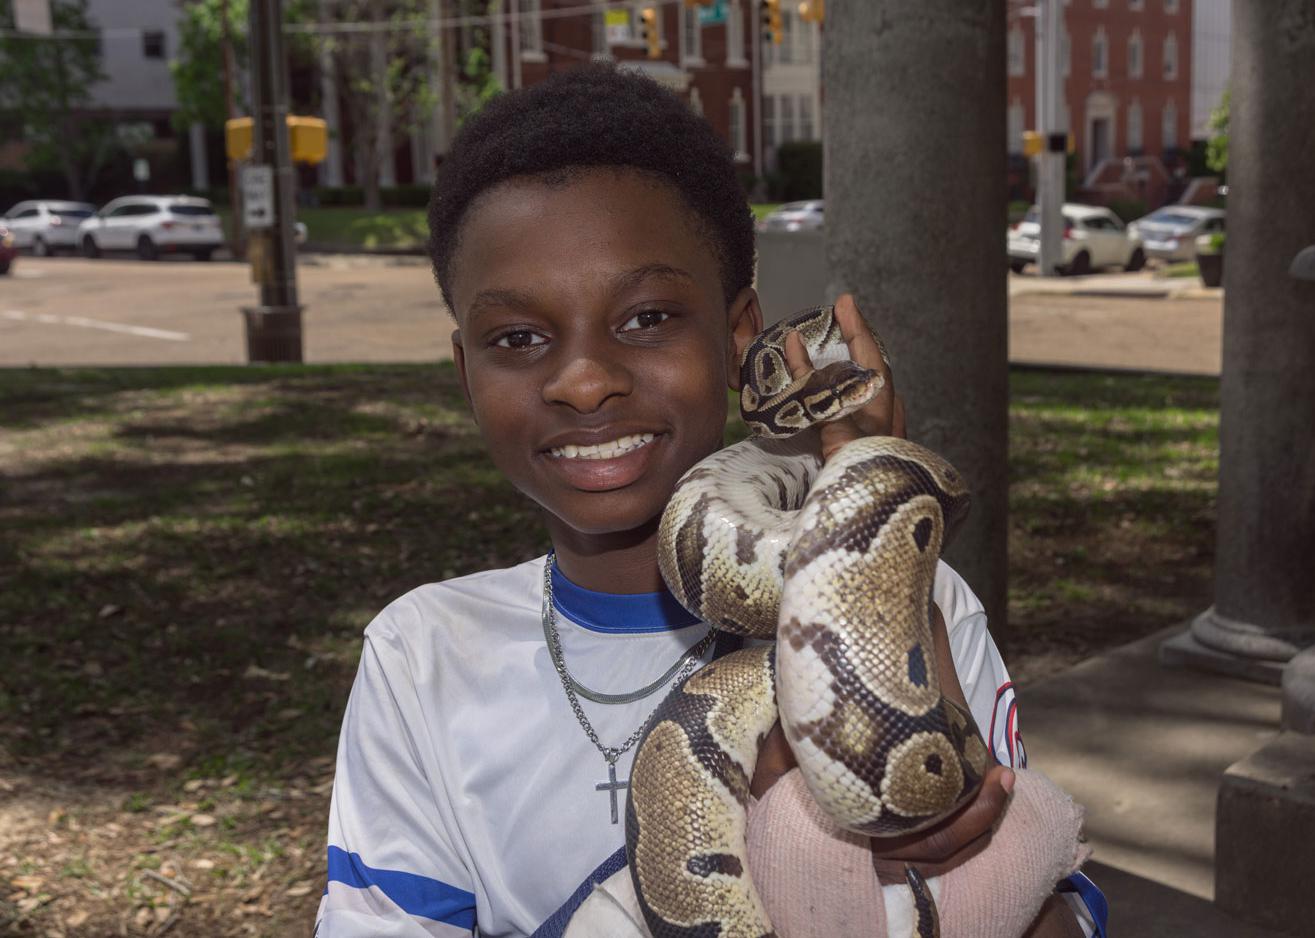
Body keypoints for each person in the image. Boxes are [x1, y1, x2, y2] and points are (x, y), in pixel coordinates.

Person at [316, 63, 1104, 938]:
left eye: (647, 318)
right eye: (518, 337)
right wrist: (789, 835)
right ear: (467, 373)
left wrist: (910, 832)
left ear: (742, 342)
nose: (583, 381)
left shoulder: (921, 599)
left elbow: (1046, 913)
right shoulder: (422, 655)